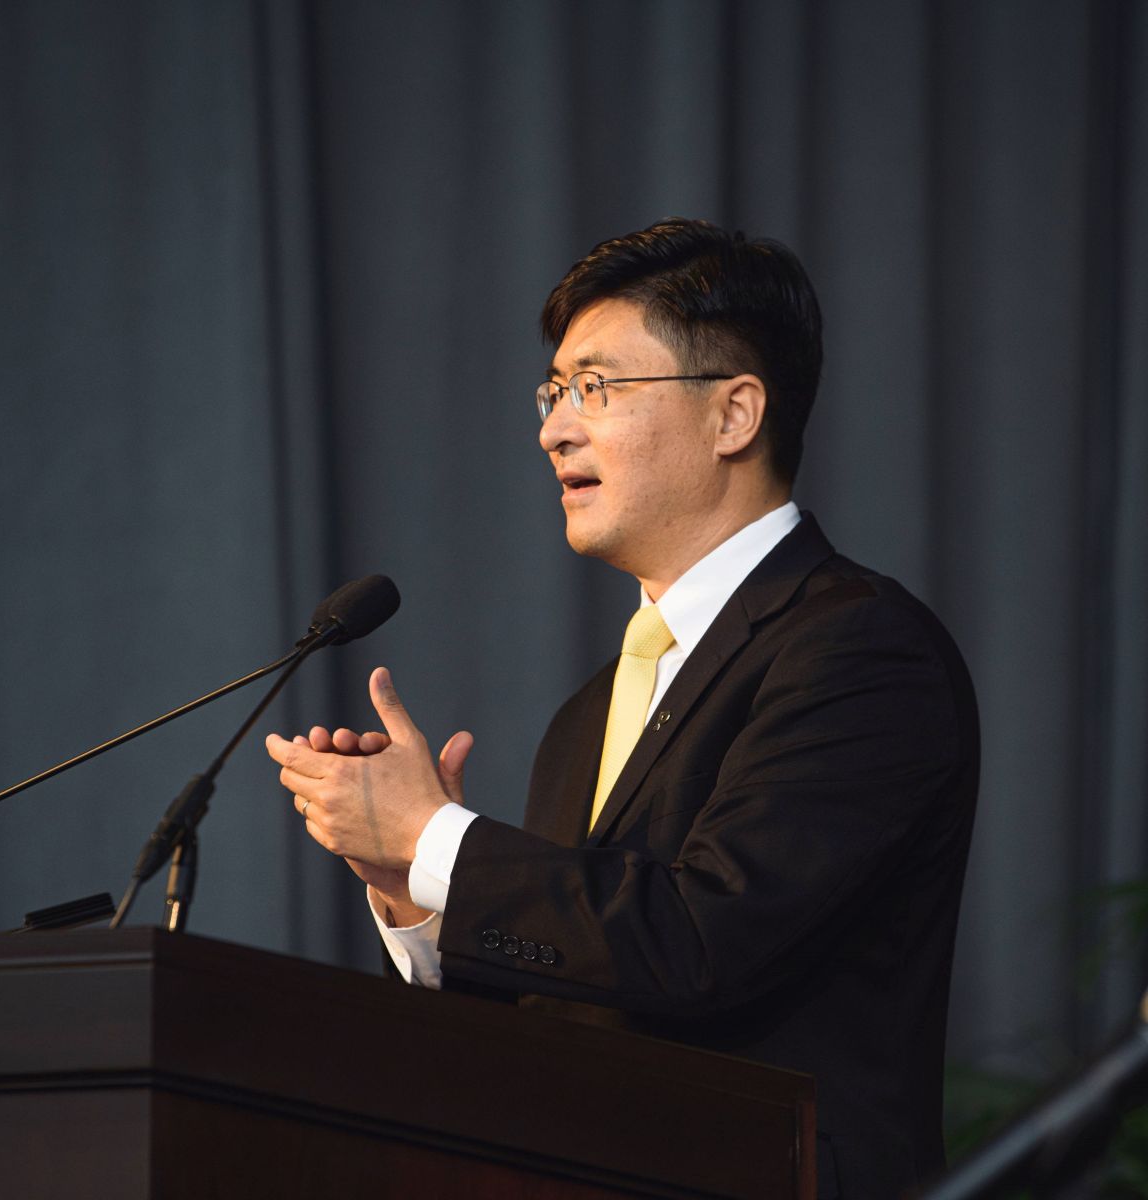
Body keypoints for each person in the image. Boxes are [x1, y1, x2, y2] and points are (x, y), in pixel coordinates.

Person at [266, 217, 980, 1198]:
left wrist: (442, 840)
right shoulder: (589, 714)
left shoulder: (860, 650)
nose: (554, 427)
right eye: (553, 392)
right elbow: (571, 1011)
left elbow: (702, 945)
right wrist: (411, 891)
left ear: (734, 415)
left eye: (596, 388)